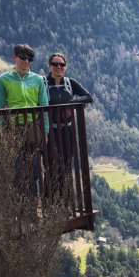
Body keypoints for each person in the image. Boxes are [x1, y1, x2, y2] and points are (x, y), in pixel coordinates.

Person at [0, 44, 49, 208]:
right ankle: (19, 206)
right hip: (14, 129)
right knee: (16, 169)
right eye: (22, 57)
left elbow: (44, 107)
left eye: (30, 59)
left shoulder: (38, 80)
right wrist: (2, 130)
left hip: (33, 129)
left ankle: (32, 206)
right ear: (15, 57)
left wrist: (45, 132)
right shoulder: (4, 79)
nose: (26, 61)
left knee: (34, 170)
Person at [44, 52, 93, 201]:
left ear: (66, 67)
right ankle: (49, 202)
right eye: (55, 64)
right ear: (50, 66)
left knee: (65, 166)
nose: (59, 67)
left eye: (62, 64)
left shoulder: (70, 83)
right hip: (50, 131)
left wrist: (70, 104)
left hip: (68, 130)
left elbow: (88, 97)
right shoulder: (43, 83)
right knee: (52, 166)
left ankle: (63, 203)